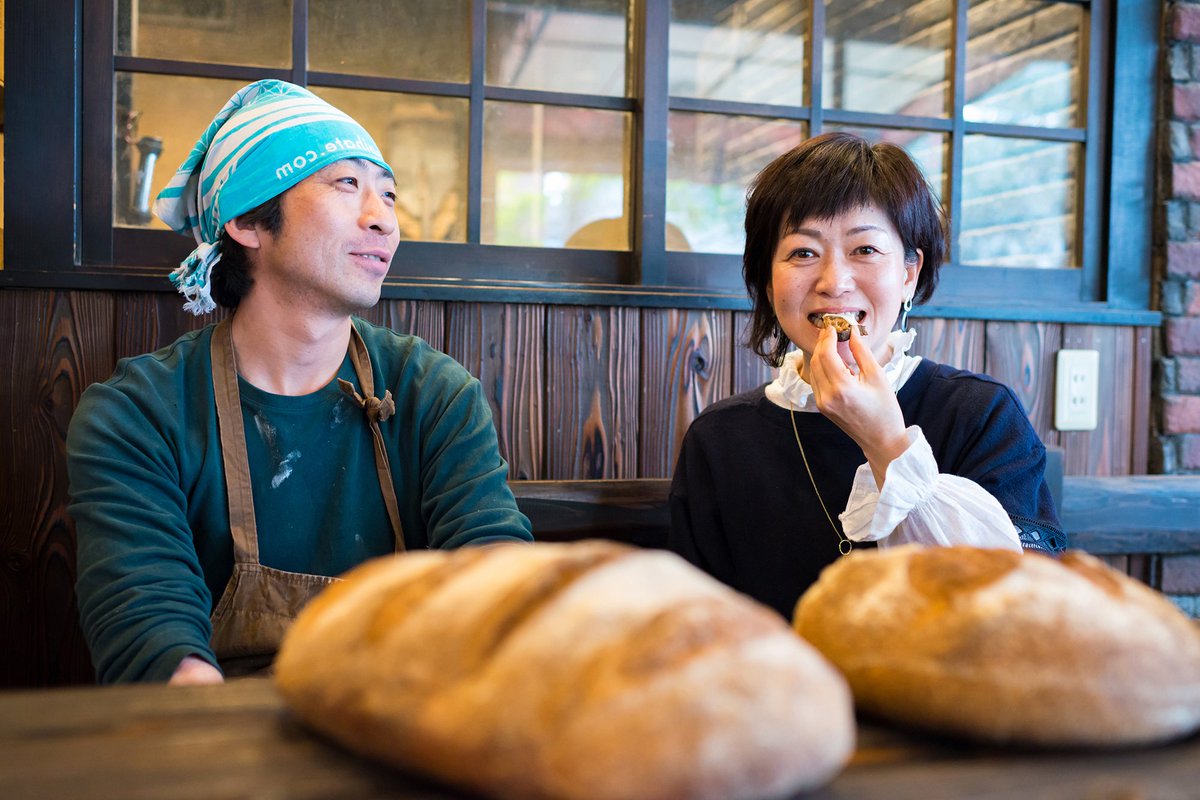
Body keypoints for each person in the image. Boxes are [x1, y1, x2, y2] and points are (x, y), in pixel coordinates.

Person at [67, 80, 533, 685]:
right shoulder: (136, 415)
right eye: (348, 186)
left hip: (411, 725)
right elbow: (151, 634)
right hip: (214, 744)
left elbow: (500, 575)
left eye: (388, 195)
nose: (384, 222)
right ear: (247, 222)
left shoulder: (433, 393)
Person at [668, 132, 1065, 620]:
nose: (835, 282)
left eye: (866, 250)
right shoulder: (720, 438)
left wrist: (887, 444)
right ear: (768, 283)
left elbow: (1021, 607)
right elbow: (700, 628)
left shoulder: (980, 415)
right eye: (802, 253)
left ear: (908, 274)